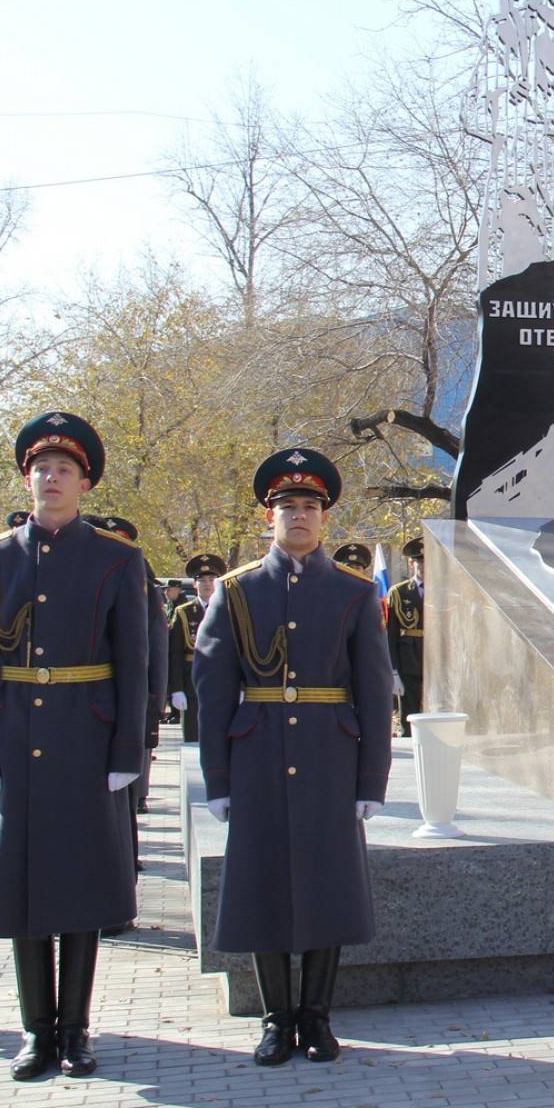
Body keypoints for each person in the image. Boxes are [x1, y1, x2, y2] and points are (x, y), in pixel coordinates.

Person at [0, 411, 147, 1080]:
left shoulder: (117, 558)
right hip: (15, 738)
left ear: (84, 483)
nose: (51, 478)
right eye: (41, 468)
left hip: (86, 738)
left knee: (82, 892)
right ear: (26, 478)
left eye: (64, 469)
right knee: (24, 893)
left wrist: (129, 750)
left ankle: (76, 1030)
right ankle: (36, 1031)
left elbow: (135, 662)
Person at [195, 449, 393, 1067]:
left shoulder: (354, 593)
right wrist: (218, 778)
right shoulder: (236, 591)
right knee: (262, 887)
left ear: (324, 517)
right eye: (288, 507)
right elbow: (213, 689)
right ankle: (276, 1019)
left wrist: (372, 779)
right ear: (269, 516)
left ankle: (318, 1016)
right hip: (256, 755)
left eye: (309, 506)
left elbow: (372, 686)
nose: (299, 516)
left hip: (330, 754)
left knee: (328, 886)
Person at [86, 514, 167, 879]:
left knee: (124, 803)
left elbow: (150, 648)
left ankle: (124, 874)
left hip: (123, 710)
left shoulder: (136, 574)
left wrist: (152, 711)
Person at [169, 554, 224, 743]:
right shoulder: (183, 612)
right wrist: (175, 689)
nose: (207, 584)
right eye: (201, 580)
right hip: (192, 683)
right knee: (193, 740)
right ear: (194, 585)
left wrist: (242, 688)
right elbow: (174, 655)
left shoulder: (230, 610)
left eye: (212, 579)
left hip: (223, 683)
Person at [386, 538, 426, 727]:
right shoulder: (399, 592)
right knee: (409, 716)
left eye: (428, 561)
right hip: (409, 659)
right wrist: (393, 671)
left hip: (437, 661)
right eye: (420, 561)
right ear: (411, 564)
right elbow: (390, 635)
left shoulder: (445, 590)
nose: (424, 566)